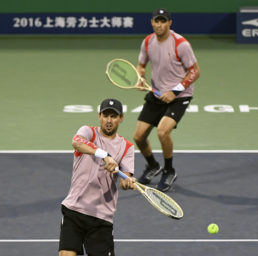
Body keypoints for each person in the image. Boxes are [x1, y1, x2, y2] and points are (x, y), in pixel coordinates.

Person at [134, 8, 200, 192]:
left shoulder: (181, 44)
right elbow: (141, 65)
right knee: (139, 137)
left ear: (170, 23)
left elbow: (195, 71)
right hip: (156, 94)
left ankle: (169, 170)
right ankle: (153, 166)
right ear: (152, 22)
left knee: (163, 132)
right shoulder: (148, 42)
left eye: (163, 21)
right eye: (157, 21)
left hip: (179, 96)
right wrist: (141, 77)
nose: (159, 24)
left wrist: (175, 91)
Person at [59, 98, 136, 256]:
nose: (109, 120)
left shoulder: (127, 147)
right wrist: (105, 155)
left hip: (102, 217)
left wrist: (128, 181)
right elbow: (77, 142)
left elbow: (124, 180)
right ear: (99, 116)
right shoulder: (88, 132)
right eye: (105, 115)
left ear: (121, 118)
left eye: (113, 116)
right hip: (75, 209)